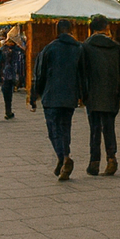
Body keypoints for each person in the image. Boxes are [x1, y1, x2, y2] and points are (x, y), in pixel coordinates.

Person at [31, 18, 84, 180]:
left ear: (57, 31)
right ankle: (64, 158)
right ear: (71, 30)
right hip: (70, 96)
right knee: (65, 128)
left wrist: (34, 96)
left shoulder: (49, 49)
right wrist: (82, 95)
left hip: (51, 95)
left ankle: (63, 157)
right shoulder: (79, 49)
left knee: (54, 130)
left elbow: (39, 75)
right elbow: (83, 74)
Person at [80, 15, 120, 177]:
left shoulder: (85, 47)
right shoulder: (117, 47)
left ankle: (94, 162)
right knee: (109, 127)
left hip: (92, 94)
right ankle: (111, 159)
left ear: (91, 29)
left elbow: (81, 72)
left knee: (94, 127)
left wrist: (81, 93)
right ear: (106, 28)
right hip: (112, 93)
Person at [0, 28, 26, 120]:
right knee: (9, 93)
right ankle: (8, 110)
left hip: (6, 74)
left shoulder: (3, 49)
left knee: (7, 93)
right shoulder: (17, 50)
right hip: (11, 74)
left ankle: (8, 110)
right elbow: (20, 64)